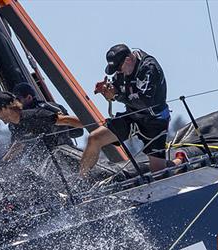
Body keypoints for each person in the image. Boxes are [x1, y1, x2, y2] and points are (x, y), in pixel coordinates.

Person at [79, 44, 186, 178]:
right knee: (94, 138)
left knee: (158, 173)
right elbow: (120, 89)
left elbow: (145, 102)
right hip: (132, 116)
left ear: (129, 59)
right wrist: (109, 89)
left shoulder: (149, 68)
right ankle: (81, 182)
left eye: (118, 68)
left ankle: (180, 160)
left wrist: (117, 96)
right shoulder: (123, 68)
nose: (119, 72)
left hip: (154, 121)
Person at [0, 91, 83, 168]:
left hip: (67, 155)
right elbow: (18, 146)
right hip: (50, 163)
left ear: (5, 108)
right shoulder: (14, 127)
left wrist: (93, 124)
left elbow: (66, 120)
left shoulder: (35, 116)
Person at [10, 82, 83, 147]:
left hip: (63, 150)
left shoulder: (47, 107)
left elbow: (78, 130)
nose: (16, 104)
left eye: (18, 100)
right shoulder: (18, 119)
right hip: (42, 157)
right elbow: (16, 144)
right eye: (14, 101)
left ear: (29, 97)